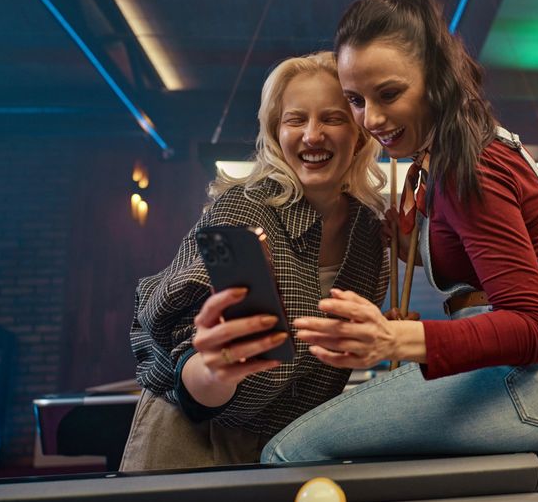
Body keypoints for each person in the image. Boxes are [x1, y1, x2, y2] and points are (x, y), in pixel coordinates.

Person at [261, 0, 538, 463]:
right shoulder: (443, 159)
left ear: (435, 77)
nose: (370, 118)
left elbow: (530, 329)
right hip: (521, 381)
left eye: (389, 93)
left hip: (530, 383)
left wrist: (392, 339)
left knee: (288, 452)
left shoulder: (470, 164)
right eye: (355, 99)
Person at [120, 52, 389, 470]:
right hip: (194, 435)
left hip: (289, 445)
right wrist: (213, 371)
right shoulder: (243, 210)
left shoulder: (369, 236)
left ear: (359, 133)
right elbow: (181, 343)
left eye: (332, 118)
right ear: (276, 132)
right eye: (295, 119)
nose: (312, 135)